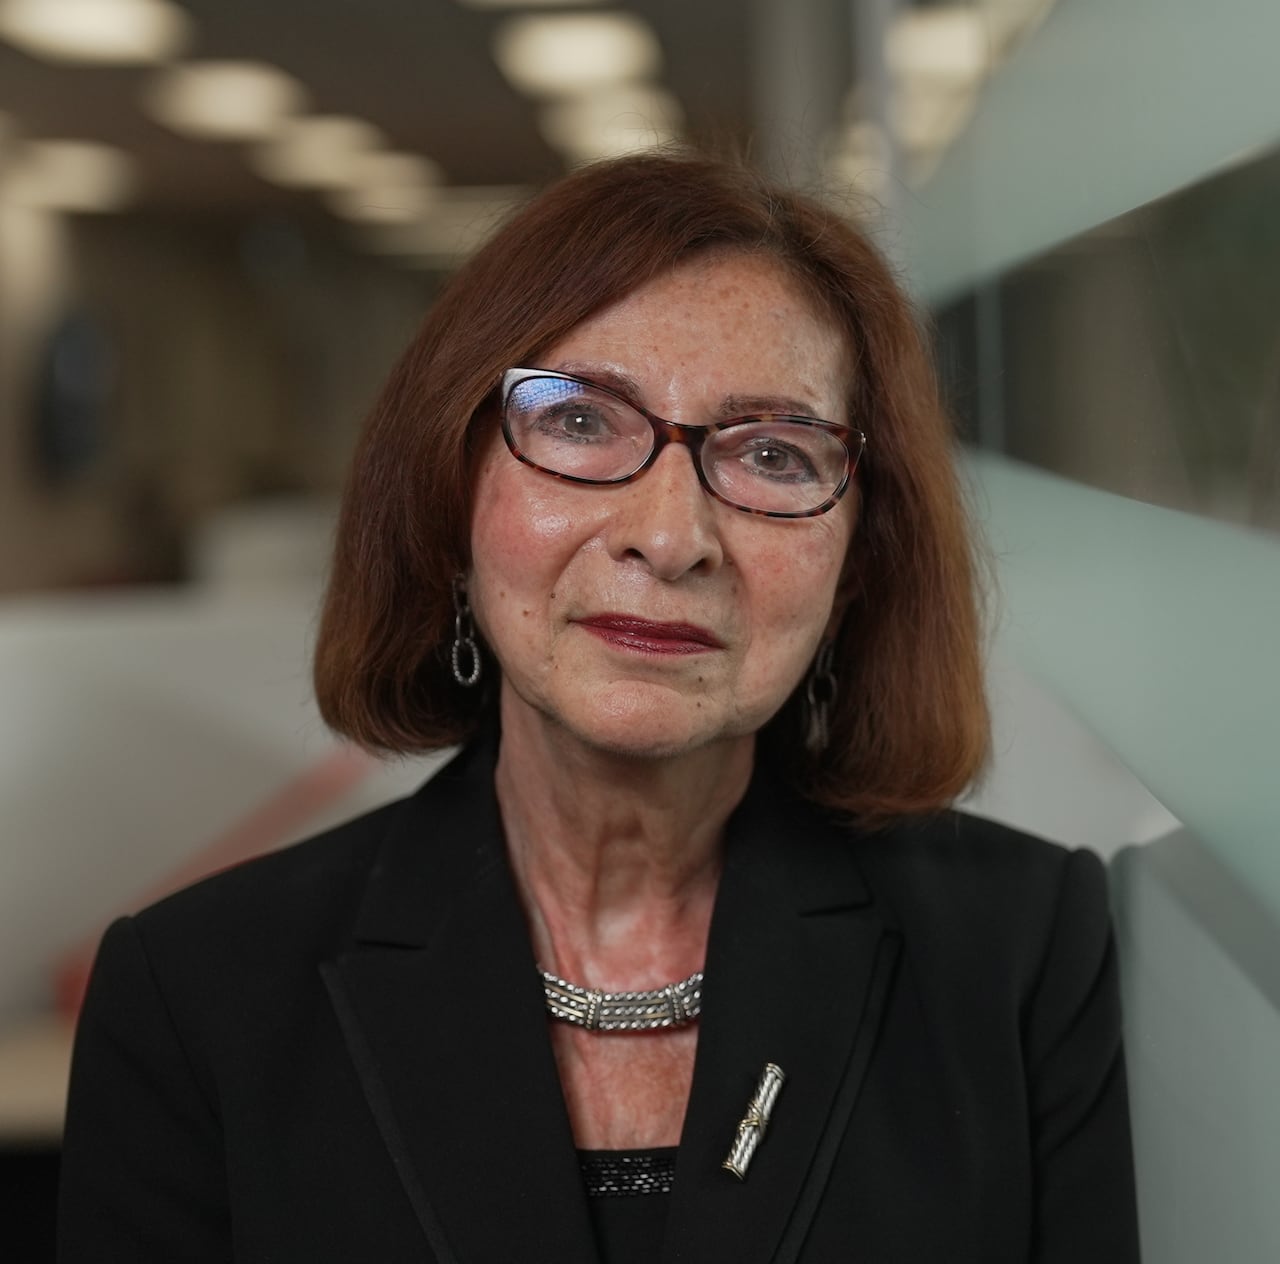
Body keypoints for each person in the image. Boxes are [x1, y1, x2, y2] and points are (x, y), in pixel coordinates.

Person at [58, 153, 1140, 1263]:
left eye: (772, 452)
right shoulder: (199, 996)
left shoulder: (1019, 951)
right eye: (580, 423)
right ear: (451, 484)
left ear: (858, 557)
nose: (668, 538)